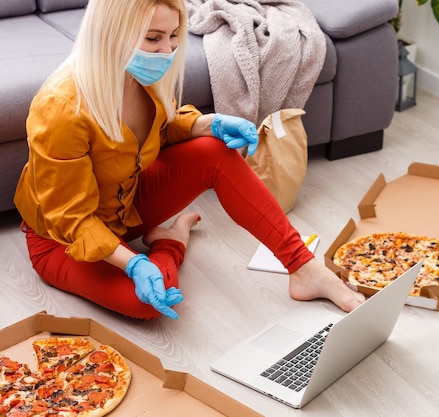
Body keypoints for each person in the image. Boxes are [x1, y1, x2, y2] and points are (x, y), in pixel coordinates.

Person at [13, 0, 364, 320]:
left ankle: (303, 267)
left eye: (173, 36)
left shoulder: (140, 74)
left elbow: (159, 128)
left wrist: (207, 123)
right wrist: (134, 263)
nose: (167, 51)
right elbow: (71, 219)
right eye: (153, 38)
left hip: (125, 206)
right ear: (111, 35)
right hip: (62, 238)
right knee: (148, 304)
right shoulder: (60, 109)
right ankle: (170, 240)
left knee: (213, 150)